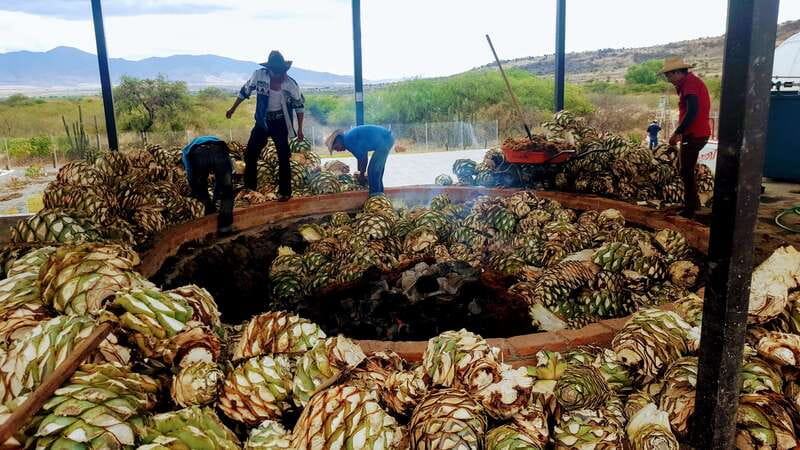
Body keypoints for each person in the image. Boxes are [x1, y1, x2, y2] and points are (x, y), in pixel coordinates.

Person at [226, 50, 305, 201]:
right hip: (263, 121)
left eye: (282, 73)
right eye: (276, 73)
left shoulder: (291, 85)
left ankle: (285, 192)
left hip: (281, 122)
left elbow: (299, 107)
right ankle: (250, 188)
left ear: (285, 70)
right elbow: (245, 91)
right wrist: (232, 108)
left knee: (283, 156)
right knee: (250, 153)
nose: (280, 76)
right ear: (269, 71)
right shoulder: (259, 75)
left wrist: (300, 129)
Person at [661, 57, 711, 218]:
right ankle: (693, 204)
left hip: (694, 133)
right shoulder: (688, 83)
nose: (668, 79)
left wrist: (678, 132)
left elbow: (692, 111)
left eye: (668, 75)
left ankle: (691, 209)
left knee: (686, 171)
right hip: (696, 133)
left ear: (677, 73)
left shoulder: (690, 84)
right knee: (686, 170)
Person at [182, 136, 234, 234]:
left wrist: (194, 186)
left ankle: (208, 214)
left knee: (201, 189)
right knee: (227, 190)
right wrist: (217, 195)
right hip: (219, 150)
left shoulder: (186, 150)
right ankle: (225, 228)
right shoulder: (216, 140)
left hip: (199, 153)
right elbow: (227, 173)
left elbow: (190, 172)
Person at [325, 125, 394, 196]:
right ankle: (380, 193)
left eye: (336, 147)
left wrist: (361, 175)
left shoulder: (348, 141)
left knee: (373, 171)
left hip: (385, 140)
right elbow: (361, 156)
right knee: (377, 170)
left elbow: (363, 158)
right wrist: (360, 173)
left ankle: (375, 196)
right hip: (387, 138)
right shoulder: (348, 138)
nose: (338, 150)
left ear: (338, 140)